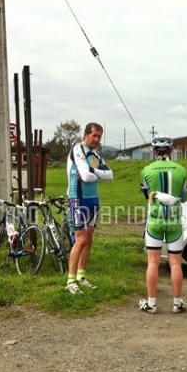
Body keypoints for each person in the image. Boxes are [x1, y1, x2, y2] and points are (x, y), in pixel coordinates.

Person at [138, 135, 187, 314]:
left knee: (153, 261)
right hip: (174, 221)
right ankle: (177, 303)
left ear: (153, 151)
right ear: (172, 151)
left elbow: (146, 195)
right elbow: (183, 198)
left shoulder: (146, 170)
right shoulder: (182, 169)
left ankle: (151, 303)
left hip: (154, 221)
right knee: (175, 262)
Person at [65, 123, 113, 294]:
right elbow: (85, 176)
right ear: (85, 135)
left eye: (99, 136)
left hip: (94, 200)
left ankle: (81, 276)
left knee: (89, 239)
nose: (97, 139)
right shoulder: (78, 149)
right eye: (94, 135)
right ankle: (70, 281)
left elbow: (110, 175)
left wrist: (93, 171)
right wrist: (95, 174)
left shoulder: (96, 154)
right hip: (78, 199)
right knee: (81, 239)